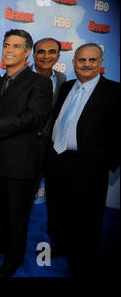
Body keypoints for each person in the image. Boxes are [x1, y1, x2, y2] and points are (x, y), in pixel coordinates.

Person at [0, 29, 52, 277]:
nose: (9, 50)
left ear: (27, 52)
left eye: (16, 46)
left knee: (16, 214)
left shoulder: (40, 82)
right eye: (6, 45)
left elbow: (35, 117)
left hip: (19, 161)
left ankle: (13, 257)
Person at [44, 43, 119, 276]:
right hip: (57, 159)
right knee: (57, 208)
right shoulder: (66, 87)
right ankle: (58, 246)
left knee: (87, 215)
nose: (86, 64)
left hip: (89, 166)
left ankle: (81, 257)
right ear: (74, 62)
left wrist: (105, 162)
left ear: (100, 63)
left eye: (92, 60)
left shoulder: (115, 92)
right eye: (81, 60)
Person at [32, 38, 66, 198]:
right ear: (33, 56)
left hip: (45, 147)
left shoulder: (62, 79)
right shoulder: (19, 76)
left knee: (32, 190)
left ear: (58, 56)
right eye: (41, 51)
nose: (46, 56)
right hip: (19, 144)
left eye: (52, 52)